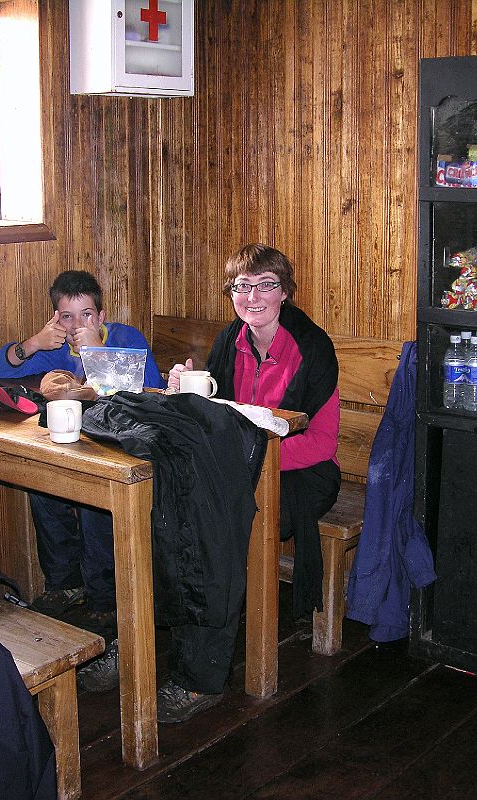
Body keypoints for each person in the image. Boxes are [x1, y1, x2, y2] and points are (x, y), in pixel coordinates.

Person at [162, 243, 340, 722]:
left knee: (216, 532)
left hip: (303, 475)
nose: (252, 296)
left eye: (266, 285)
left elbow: (322, 445)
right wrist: (190, 385)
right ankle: (160, 639)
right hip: (240, 472)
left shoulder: (312, 348)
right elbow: (222, 412)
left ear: (285, 292)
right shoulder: (230, 339)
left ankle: (202, 677)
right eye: (242, 286)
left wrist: (248, 463)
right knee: (172, 513)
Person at [0, 270, 164, 689]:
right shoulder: (55, 347)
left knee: (91, 499)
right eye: (67, 317)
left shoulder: (123, 337)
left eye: (86, 315)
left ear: (101, 314)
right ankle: (64, 583)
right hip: (73, 438)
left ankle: (104, 598)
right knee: (42, 485)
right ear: (56, 318)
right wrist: (32, 345)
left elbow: (150, 390)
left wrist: (98, 353)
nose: (77, 326)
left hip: (124, 445)